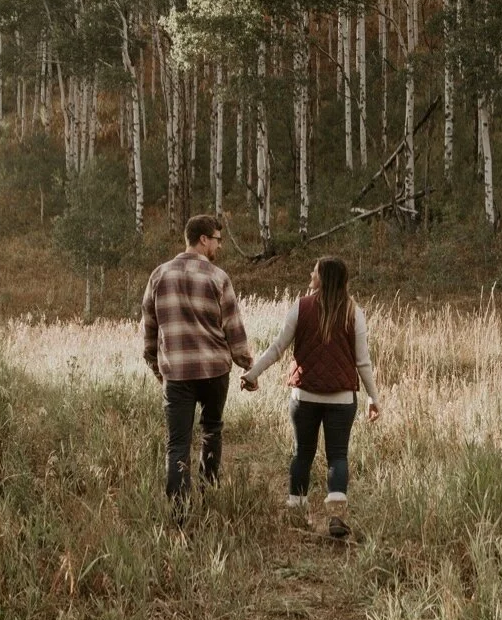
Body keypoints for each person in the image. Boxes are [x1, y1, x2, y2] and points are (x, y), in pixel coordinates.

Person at [240, 256, 380, 538]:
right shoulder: (354, 312)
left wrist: (252, 374)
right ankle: (336, 517)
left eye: (314, 272)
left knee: (302, 453)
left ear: (323, 278)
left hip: (304, 396)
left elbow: (277, 347)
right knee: (337, 455)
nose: (310, 275)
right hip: (341, 398)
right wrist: (372, 397)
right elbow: (363, 362)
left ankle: (296, 514)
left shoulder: (301, 307)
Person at [141, 214, 253, 511]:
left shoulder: (159, 275)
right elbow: (234, 329)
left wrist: (157, 368)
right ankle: (208, 494)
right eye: (217, 239)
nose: (220, 245)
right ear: (203, 239)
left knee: (177, 443)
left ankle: (179, 512)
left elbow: (149, 330)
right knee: (212, 430)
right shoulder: (218, 277)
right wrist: (247, 366)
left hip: (177, 373)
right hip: (215, 371)